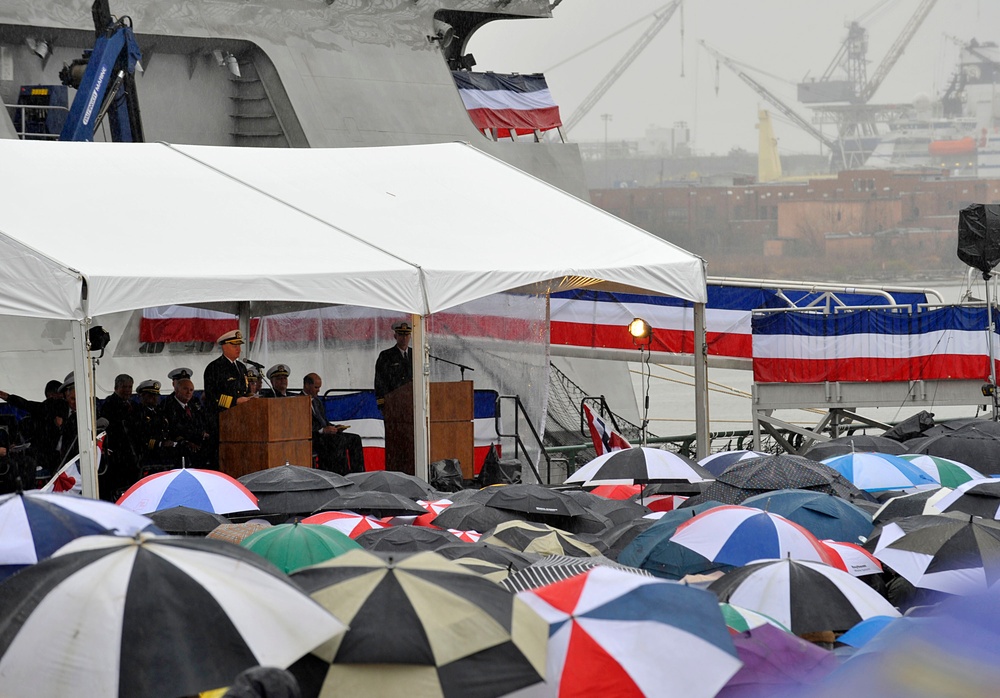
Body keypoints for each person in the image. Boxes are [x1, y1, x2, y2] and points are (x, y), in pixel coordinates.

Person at [203, 330, 253, 469]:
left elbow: (245, 391)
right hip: (222, 421)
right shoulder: (214, 368)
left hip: (241, 422)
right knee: (222, 460)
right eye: (234, 345)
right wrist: (235, 401)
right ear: (224, 346)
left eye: (239, 345)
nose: (239, 349)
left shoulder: (241, 367)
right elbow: (212, 397)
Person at [0, 378, 66, 480]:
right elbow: (28, 405)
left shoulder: (63, 410)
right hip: (50, 457)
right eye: (61, 394)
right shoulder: (47, 409)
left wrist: (8, 397)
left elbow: (27, 405)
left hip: (55, 457)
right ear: (51, 395)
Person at [303, 372, 365, 475]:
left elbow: (324, 421)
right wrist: (322, 430)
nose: (318, 390)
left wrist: (334, 427)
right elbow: (301, 425)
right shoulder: (297, 402)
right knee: (338, 441)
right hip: (313, 437)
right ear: (307, 385)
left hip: (325, 436)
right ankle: (342, 473)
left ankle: (358, 472)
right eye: (316, 387)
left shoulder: (317, 402)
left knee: (355, 439)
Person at [98, 373, 138, 501]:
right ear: (116, 387)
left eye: (130, 387)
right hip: (117, 456)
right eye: (124, 387)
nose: (127, 390)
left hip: (131, 454)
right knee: (117, 489)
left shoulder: (133, 406)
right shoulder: (109, 405)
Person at [160, 378, 210, 468]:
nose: (188, 392)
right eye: (185, 389)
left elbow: (201, 422)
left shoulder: (193, 404)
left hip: (197, 444)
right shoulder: (168, 405)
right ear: (176, 390)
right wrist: (188, 441)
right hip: (179, 447)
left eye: (191, 390)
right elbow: (175, 429)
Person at [132, 379, 175, 475]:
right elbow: (140, 436)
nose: (155, 398)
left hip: (163, 454)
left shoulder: (159, 412)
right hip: (147, 454)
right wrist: (160, 443)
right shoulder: (138, 413)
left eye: (156, 395)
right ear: (142, 396)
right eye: (151, 395)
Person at [374, 321, 413, 410]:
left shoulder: (415, 354)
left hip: (412, 402)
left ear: (410, 336)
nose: (404, 338)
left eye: (407, 335)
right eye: (401, 335)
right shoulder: (386, 355)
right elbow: (380, 380)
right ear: (395, 336)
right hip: (393, 403)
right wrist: (382, 402)